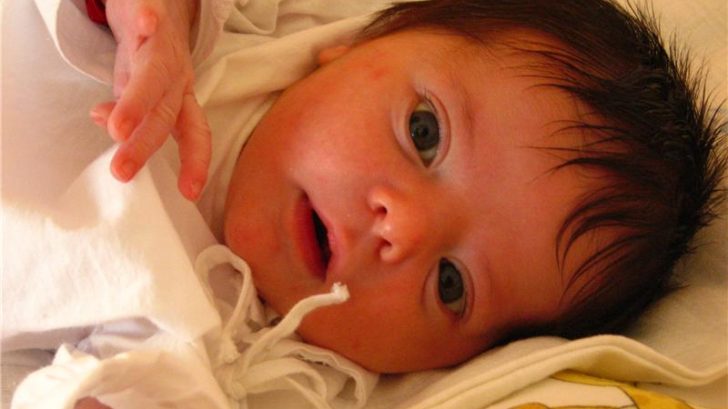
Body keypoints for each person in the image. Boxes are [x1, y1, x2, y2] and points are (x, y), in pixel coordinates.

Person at [5, 0, 725, 407]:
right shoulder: (237, 28)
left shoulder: (260, 370)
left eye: (452, 284)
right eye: (425, 133)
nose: (401, 226)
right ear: (355, 43)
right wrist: (153, 21)